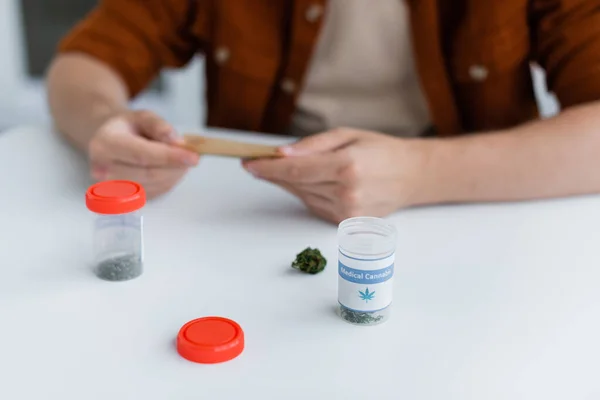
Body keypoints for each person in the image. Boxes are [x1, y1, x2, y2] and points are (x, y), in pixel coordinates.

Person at [47, 0, 600, 223]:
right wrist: (104, 123)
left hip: (474, 211)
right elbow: (87, 61)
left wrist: (420, 173)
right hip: (263, 214)